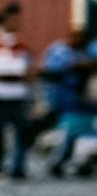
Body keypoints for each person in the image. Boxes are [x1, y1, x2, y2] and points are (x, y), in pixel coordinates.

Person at [0, 3, 36, 180]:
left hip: (18, 94)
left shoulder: (20, 41)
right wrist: (13, 76)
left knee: (23, 131)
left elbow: (29, 67)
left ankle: (18, 167)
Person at [38, 26, 94, 177]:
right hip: (62, 100)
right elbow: (53, 70)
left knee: (78, 129)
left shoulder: (84, 52)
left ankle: (69, 160)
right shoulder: (59, 51)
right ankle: (59, 160)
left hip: (77, 103)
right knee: (69, 130)